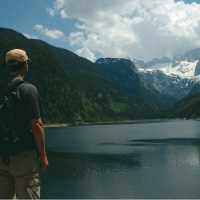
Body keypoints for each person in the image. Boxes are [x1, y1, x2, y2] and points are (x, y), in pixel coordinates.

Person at [0, 49, 48, 199]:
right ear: (24, 65)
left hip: (2, 155)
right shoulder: (28, 89)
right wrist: (43, 155)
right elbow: (37, 126)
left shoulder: (3, 91)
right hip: (24, 157)